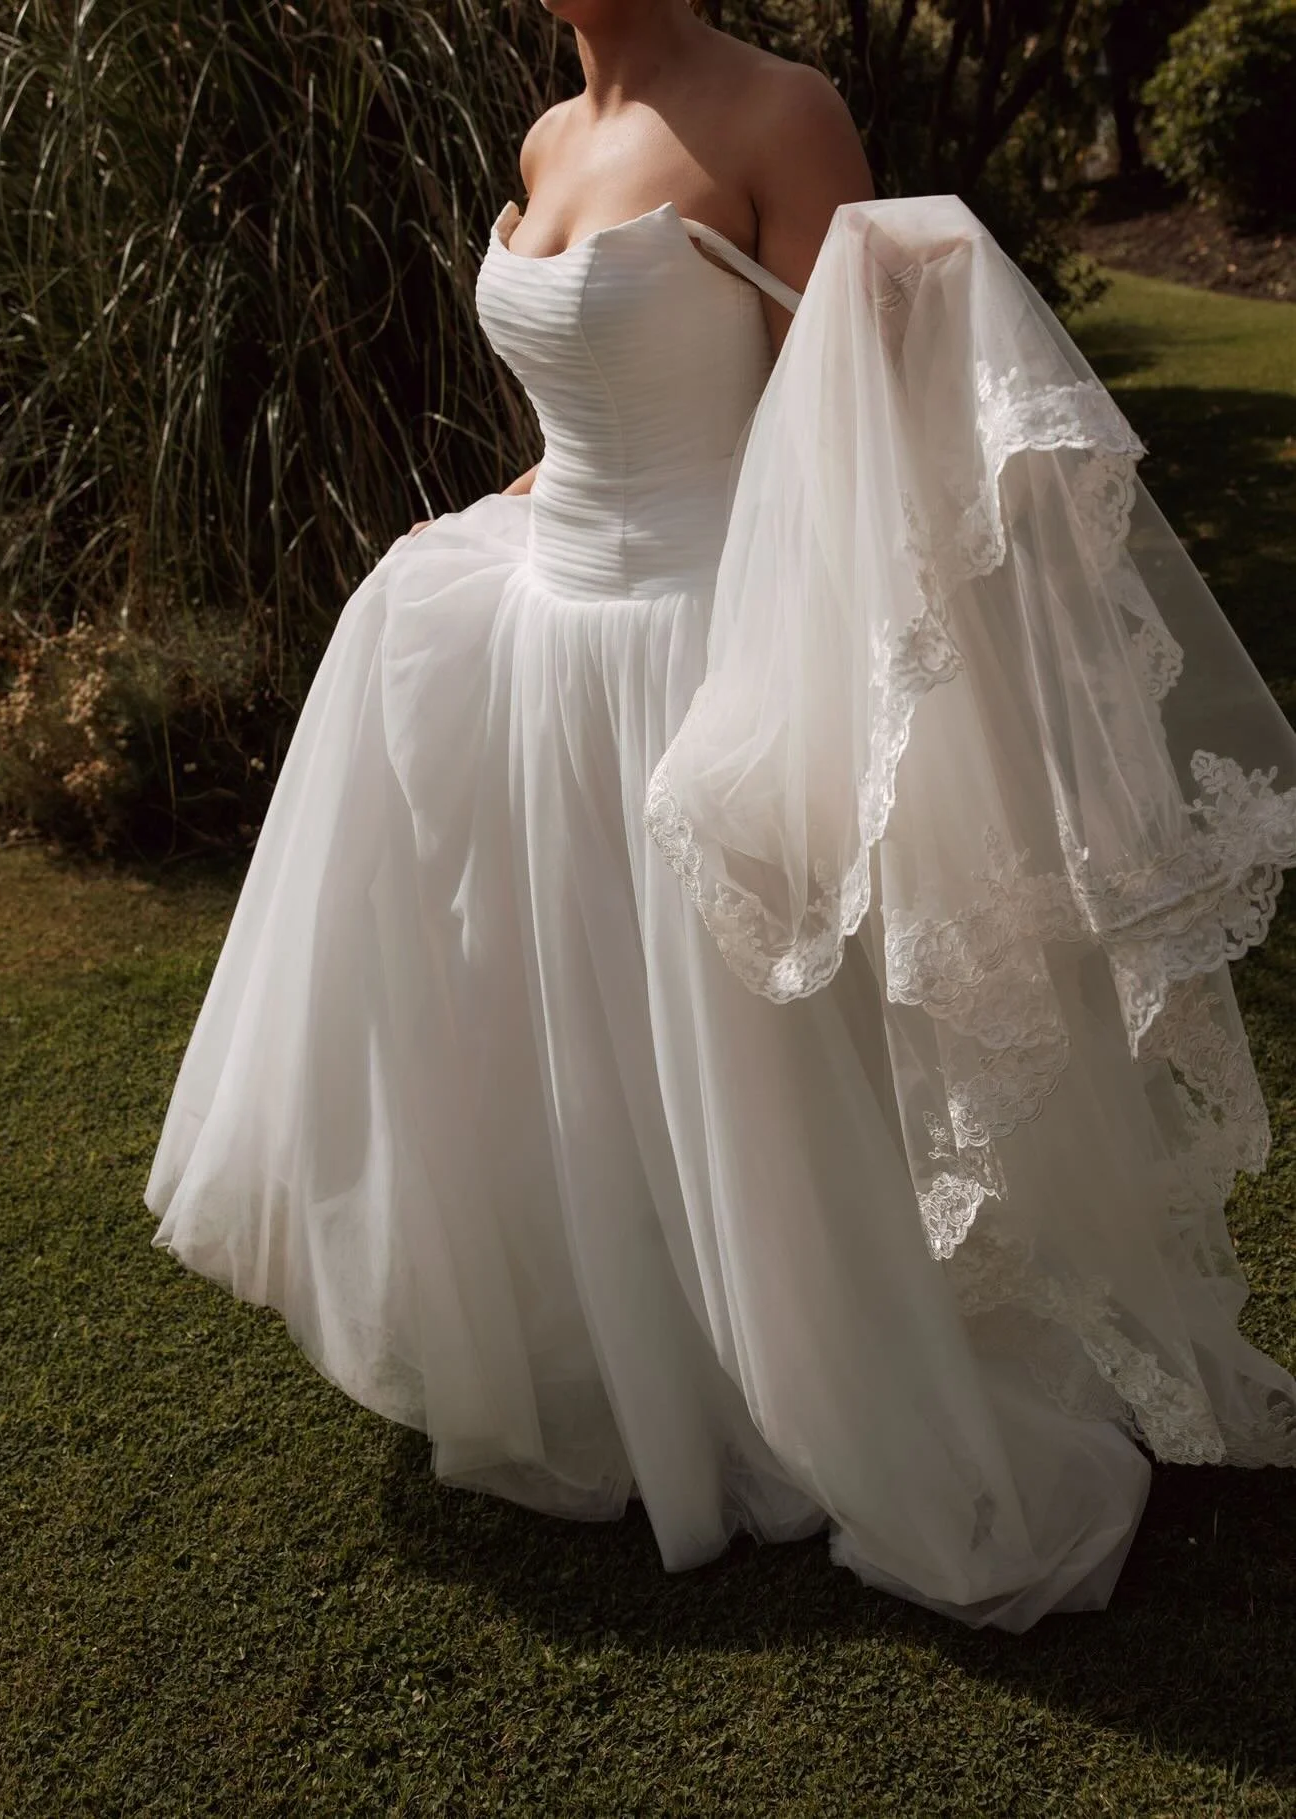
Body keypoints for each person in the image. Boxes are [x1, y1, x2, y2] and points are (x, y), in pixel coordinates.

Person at [146, 0, 1296, 1632]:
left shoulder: (781, 112)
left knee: (745, 1050)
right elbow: (589, 405)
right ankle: (629, 1353)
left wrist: (828, 663)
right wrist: (490, 526)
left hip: (706, 637)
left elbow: (847, 429)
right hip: (545, 630)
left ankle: (811, 1369)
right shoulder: (549, 136)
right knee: (587, 1031)